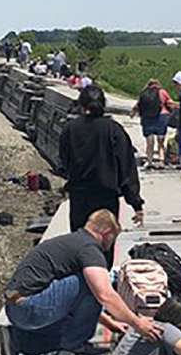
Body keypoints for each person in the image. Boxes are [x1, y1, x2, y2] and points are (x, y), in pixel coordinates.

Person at [0, 210, 162, 355]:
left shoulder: (73, 242)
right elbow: (104, 295)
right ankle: (75, 347)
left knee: (70, 325)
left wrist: (109, 322)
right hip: (30, 307)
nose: (112, 243)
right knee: (96, 282)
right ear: (106, 233)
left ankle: (18, 340)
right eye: (113, 237)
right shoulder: (89, 249)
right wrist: (138, 323)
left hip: (16, 307)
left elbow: (75, 298)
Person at [57, 85, 144, 247]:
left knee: (80, 246)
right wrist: (136, 203)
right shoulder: (114, 130)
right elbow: (126, 169)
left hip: (79, 197)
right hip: (106, 199)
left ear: (81, 105)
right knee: (104, 246)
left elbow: (63, 163)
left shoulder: (70, 129)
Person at [131, 78, 173, 169]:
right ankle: (161, 160)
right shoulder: (162, 92)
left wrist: (133, 113)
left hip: (147, 118)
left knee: (149, 141)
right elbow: (169, 103)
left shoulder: (144, 93)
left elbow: (138, 105)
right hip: (161, 117)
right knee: (160, 141)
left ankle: (149, 161)